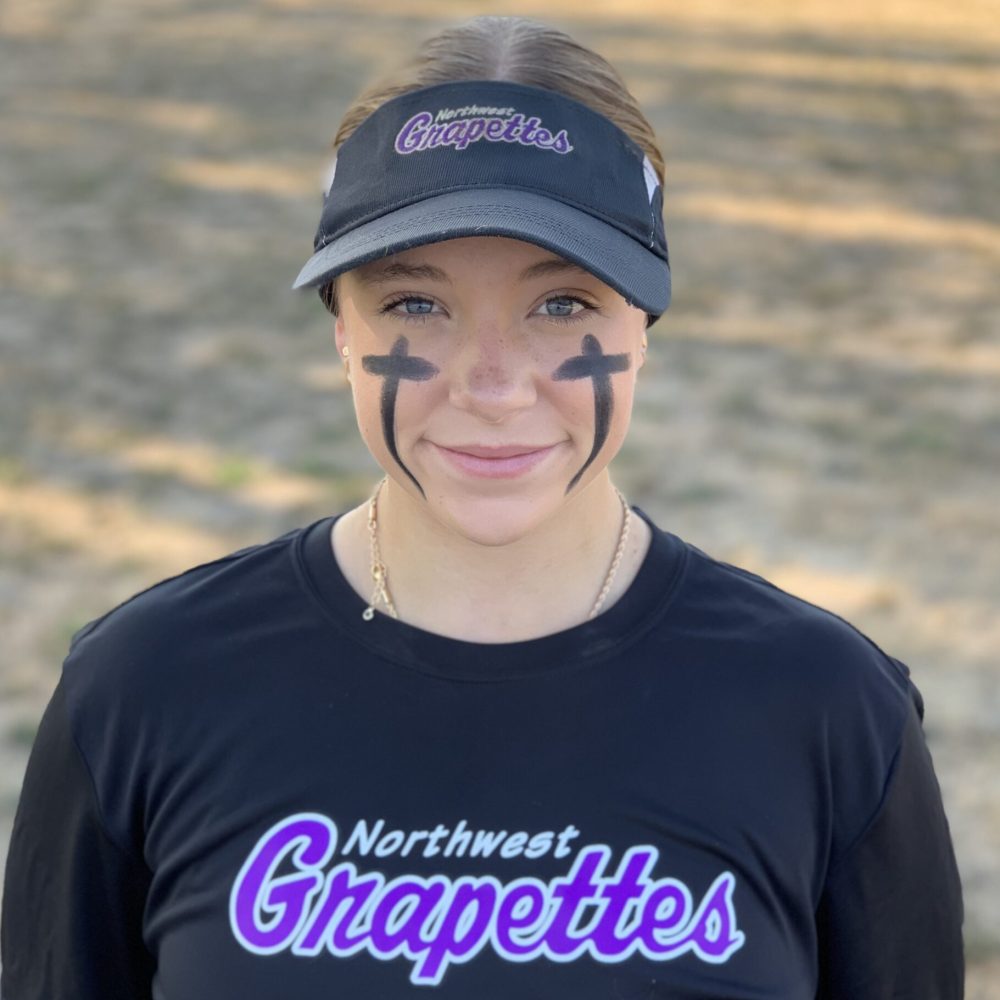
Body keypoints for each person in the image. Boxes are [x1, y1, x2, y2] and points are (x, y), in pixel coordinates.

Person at [1, 15, 964, 1000]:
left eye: (563, 304)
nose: (493, 386)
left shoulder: (824, 709)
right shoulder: (146, 688)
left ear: (642, 324)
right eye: (415, 304)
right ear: (342, 329)